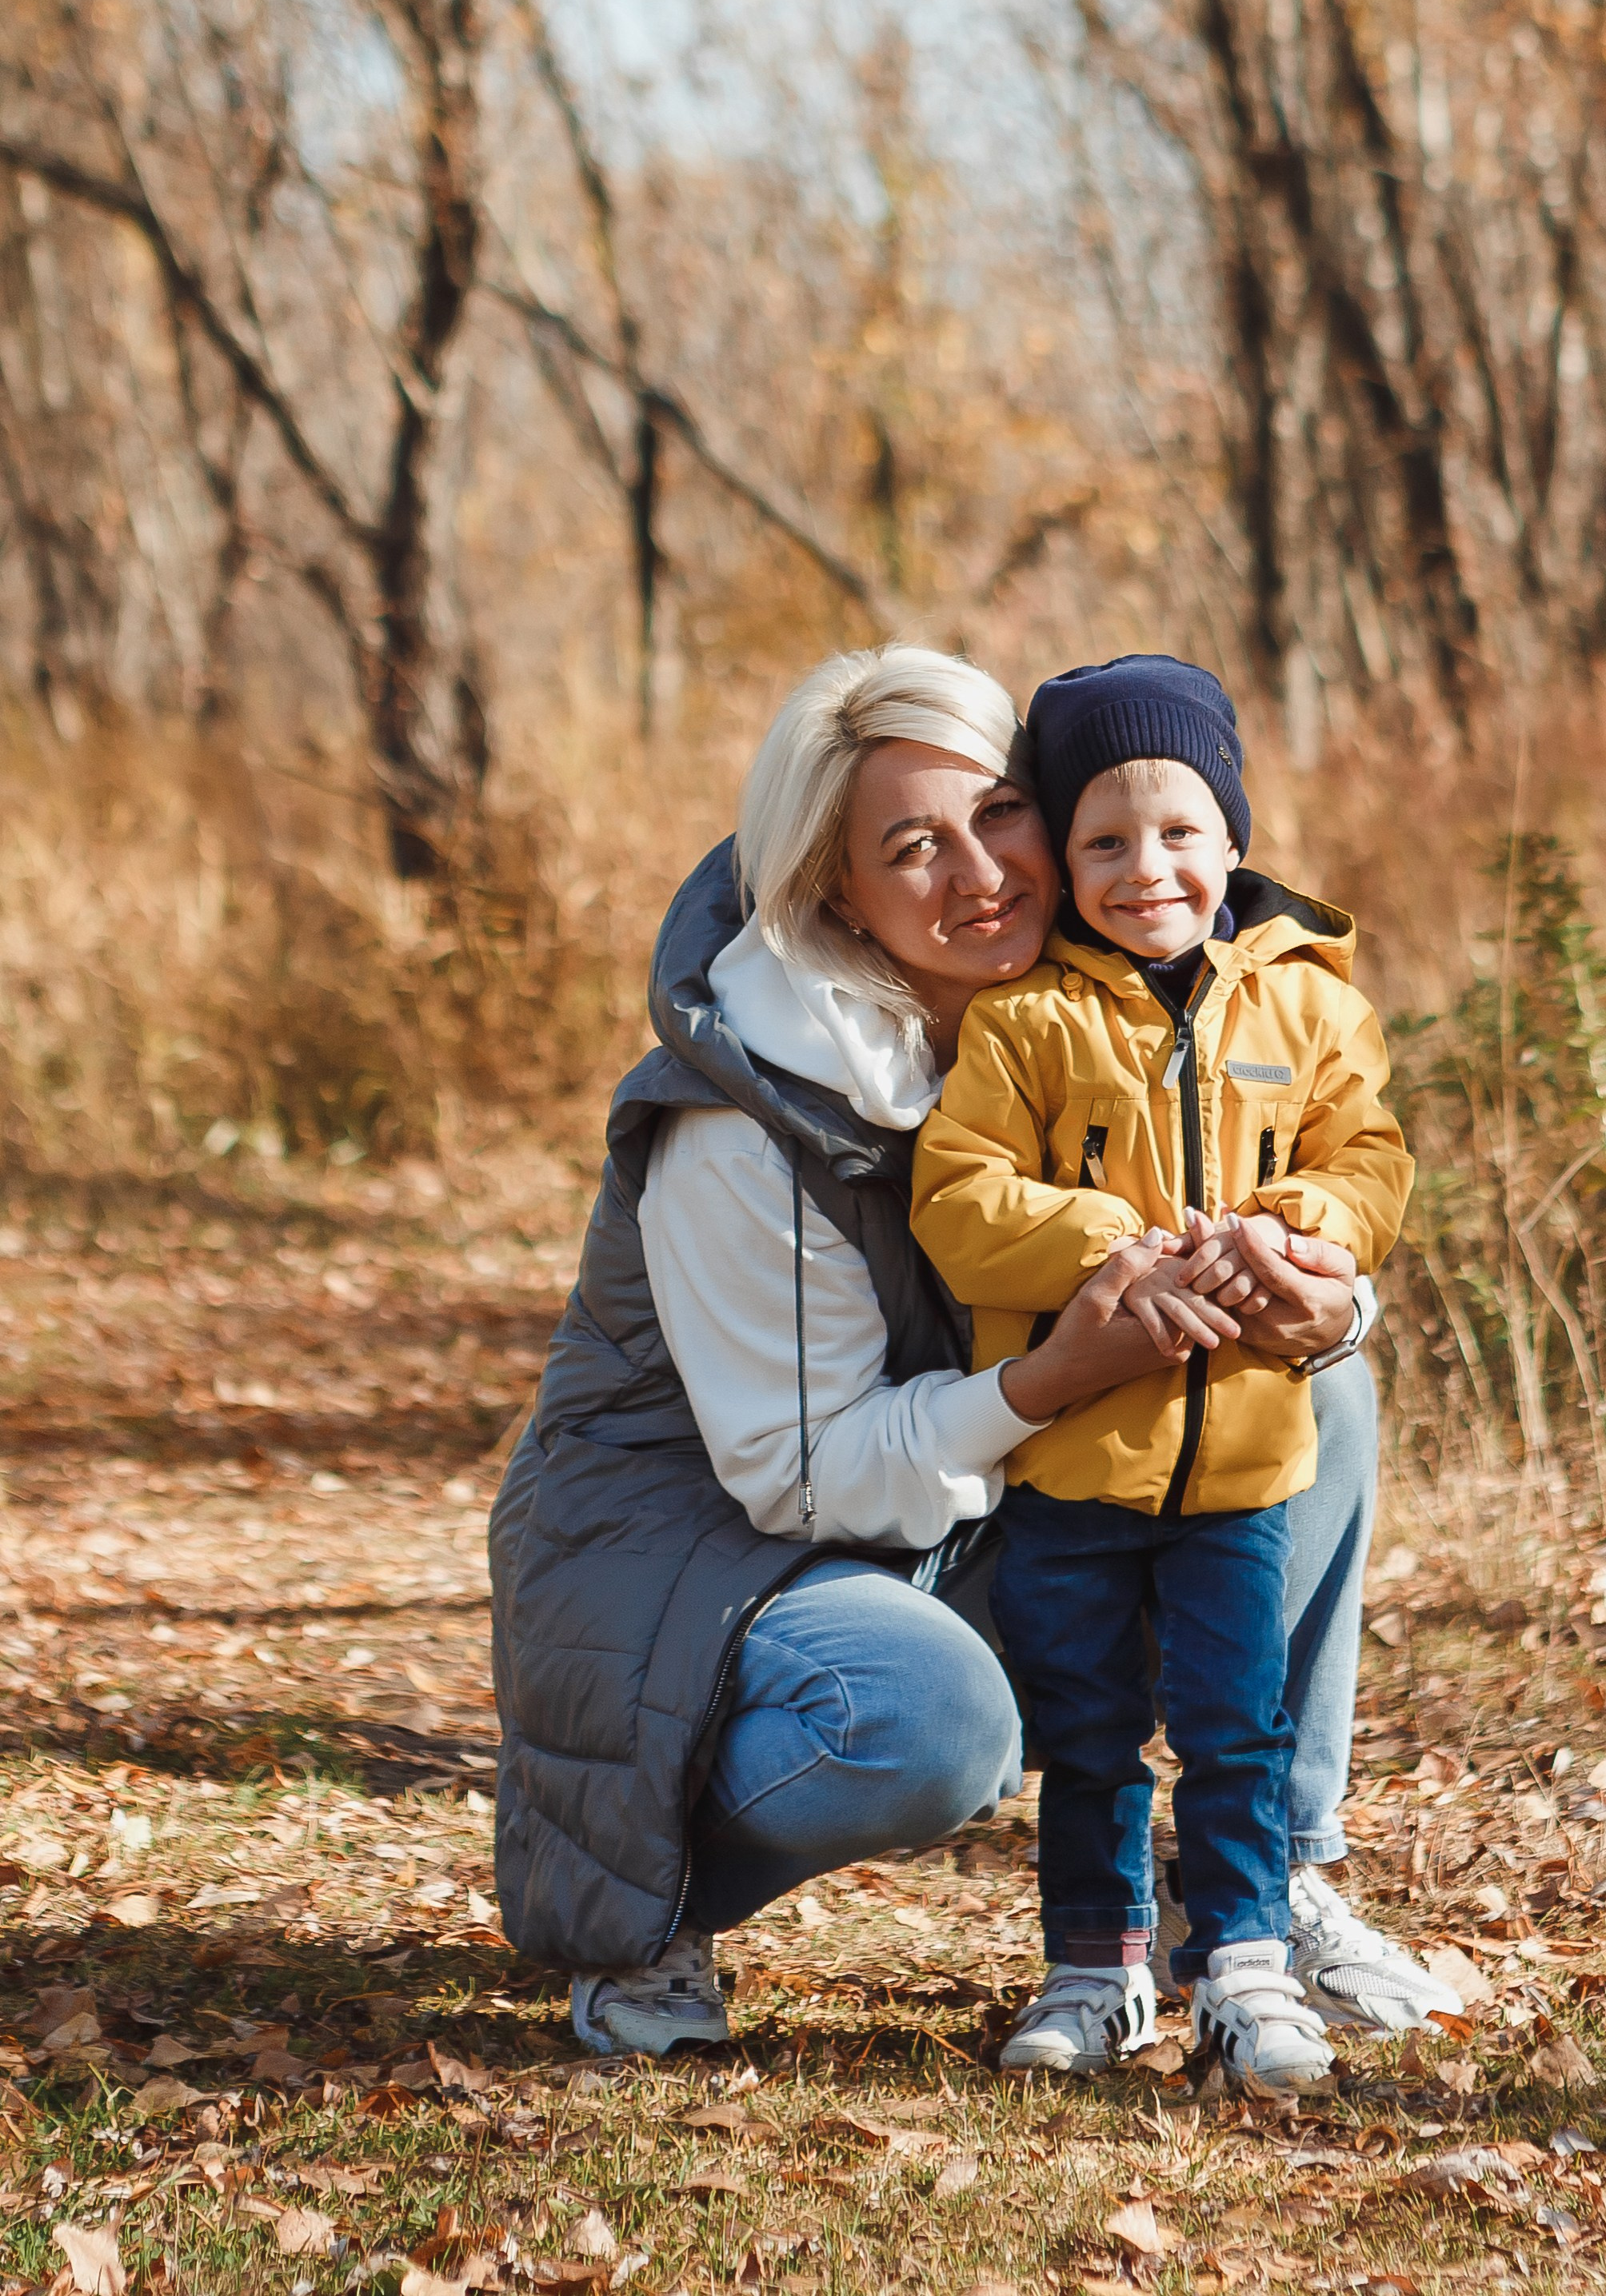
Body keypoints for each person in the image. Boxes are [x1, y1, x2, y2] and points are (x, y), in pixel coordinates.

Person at [489, 645, 1449, 2058]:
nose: (983, 873)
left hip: (952, 1481)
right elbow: (803, 1478)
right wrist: (1058, 1378)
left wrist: (1327, 1304)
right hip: (709, 1545)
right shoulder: (743, 1119)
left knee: (1319, 1392)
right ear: (837, 890)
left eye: (1001, 814)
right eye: (912, 846)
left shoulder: (1088, 1009)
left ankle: (1263, 1877)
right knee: (928, 1720)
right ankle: (658, 1890)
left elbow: (1326, 1169)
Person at [912, 655, 1415, 2085]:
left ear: (1234, 839)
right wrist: (1112, 1245)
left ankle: (1246, 1962)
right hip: (1075, 1463)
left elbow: (1368, 1159)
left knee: (1238, 1727)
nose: (1147, 869)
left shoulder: (1311, 1004)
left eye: (1181, 832)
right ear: (1064, 862)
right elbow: (958, 1200)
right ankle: (1097, 1968)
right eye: (1105, 842)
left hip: (1244, 1462)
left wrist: (1299, 1228)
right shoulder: (1025, 1021)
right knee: (1087, 1735)